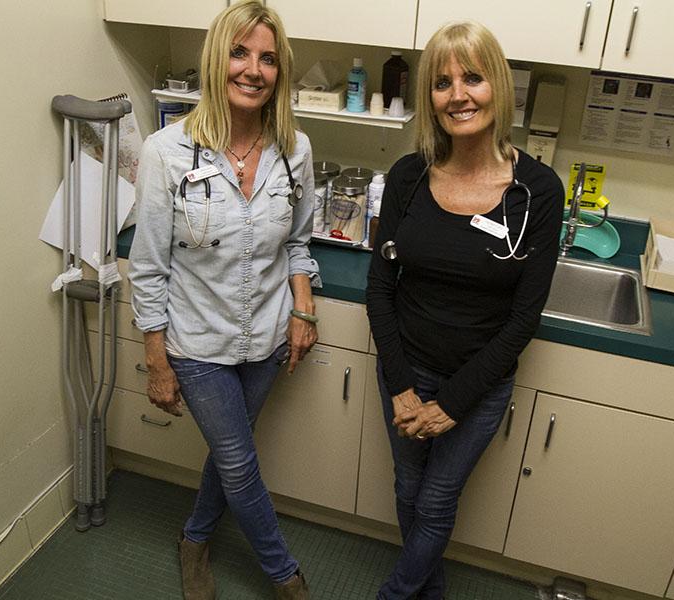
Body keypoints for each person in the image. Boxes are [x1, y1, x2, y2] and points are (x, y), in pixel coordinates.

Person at [366, 21, 564, 599]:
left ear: (498, 85)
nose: (458, 95)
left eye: (472, 78)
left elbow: (524, 319)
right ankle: (431, 592)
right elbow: (380, 288)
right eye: (442, 82)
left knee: (435, 498)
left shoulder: (538, 192)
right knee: (407, 488)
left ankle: (394, 595)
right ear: (429, 97)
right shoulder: (408, 177)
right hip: (405, 371)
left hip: (477, 386)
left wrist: (451, 403)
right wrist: (403, 386)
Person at [128, 2, 318, 598]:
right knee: (237, 461)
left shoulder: (296, 151)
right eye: (240, 53)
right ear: (217, 59)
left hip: (266, 337)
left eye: (267, 58)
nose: (253, 70)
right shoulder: (166, 153)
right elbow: (149, 266)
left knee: (227, 453)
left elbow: (299, 241)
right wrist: (157, 361)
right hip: (198, 342)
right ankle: (287, 578)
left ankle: (194, 538)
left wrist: (304, 308)